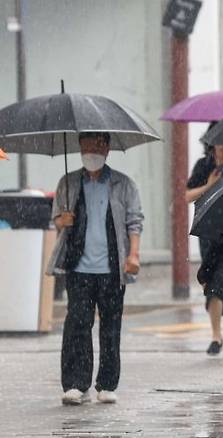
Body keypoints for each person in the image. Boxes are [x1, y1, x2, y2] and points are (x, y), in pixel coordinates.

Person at [47, 132, 143, 405]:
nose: (92, 150)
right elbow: (57, 218)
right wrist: (61, 220)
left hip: (113, 268)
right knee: (77, 324)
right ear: (79, 147)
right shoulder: (68, 182)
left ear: (108, 148)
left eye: (98, 145)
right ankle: (76, 383)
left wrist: (134, 254)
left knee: (111, 327)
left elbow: (135, 221)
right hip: (78, 267)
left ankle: (107, 383)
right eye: (87, 145)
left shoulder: (123, 184)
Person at [187, 132, 223, 357]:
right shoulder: (204, 165)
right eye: (219, 143)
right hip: (210, 233)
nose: (222, 147)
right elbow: (186, 195)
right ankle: (215, 336)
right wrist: (209, 185)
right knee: (214, 284)